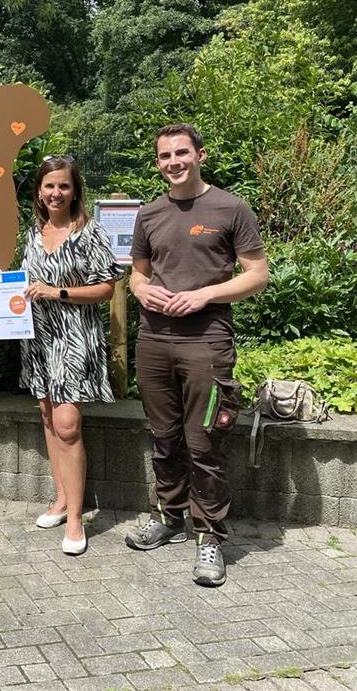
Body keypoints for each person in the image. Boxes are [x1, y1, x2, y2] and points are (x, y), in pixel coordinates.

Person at [125, 124, 268, 587]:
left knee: (205, 443)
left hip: (206, 340)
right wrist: (144, 292)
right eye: (165, 156)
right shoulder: (148, 214)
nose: (173, 162)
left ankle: (210, 537)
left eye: (181, 153)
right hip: (153, 339)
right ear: (157, 163)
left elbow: (257, 275)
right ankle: (168, 519)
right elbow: (137, 276)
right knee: (164, 437)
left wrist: (205, 296)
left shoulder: (231, 208)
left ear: (200, 155)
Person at [0, 155, 120, 555]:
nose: (56, 193)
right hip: (38, 339)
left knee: (68, 425)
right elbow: (28, 284)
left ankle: (75, 520)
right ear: (39, 191)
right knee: (49, 419)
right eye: (49, 186)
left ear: (75, 190)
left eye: (64, 186)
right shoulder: (38, 231)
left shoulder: (89, 233)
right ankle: (62, 499)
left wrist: (58, 293)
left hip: (75, 338)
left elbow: (106, 288)